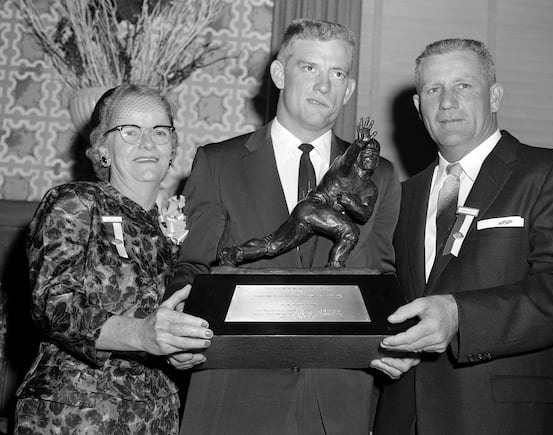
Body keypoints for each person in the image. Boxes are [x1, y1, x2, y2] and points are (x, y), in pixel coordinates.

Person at [168, 18, 401, 435]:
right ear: (279, 74)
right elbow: (194, 267)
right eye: (309, 68)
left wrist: (398, 339)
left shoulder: (379, 174)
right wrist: (176, 326)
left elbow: (380, 276)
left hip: (335, 401)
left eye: (338, 73)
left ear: (348, 90)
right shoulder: (217, 162)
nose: (324, 86)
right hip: (232, 397)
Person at [370, 38, 553, 435]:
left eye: (464, 86)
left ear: (494, 97)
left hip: (505, 420)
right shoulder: (401, 196)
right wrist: (381, 347)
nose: (446, 102)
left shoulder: (552, 172)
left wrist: (459, 315)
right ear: (417, 107)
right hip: (404, 420)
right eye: (433, 90)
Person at [13, 84, 213, 434]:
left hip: (159, 417)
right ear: (103, 149)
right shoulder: (76, 202)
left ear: (172, 148)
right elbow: (53, 303)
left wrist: (183, 351)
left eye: (159, 131)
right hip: (75, 412)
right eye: (130, 131)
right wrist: (140, 334)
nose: (148, 143)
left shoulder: (181, 226)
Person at [219, 117, 380, 268]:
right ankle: (336, 268)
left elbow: (365, 214)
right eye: (367, 154)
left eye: (374, 155)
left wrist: (350, 202)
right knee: (350, 232)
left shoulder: (370, 188)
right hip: (312, 207)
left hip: (313, 218)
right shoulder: (344, 168)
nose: (370, 158)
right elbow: (348, 158)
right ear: (359, 156)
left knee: (274, 245)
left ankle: (234, 253)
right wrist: (359, 143)